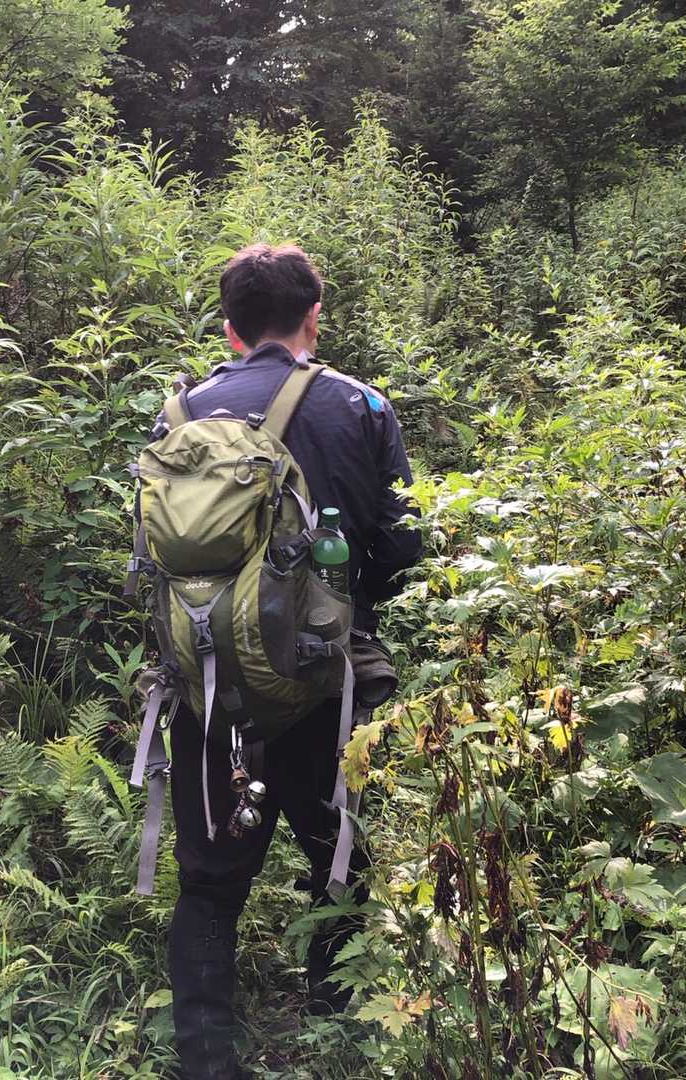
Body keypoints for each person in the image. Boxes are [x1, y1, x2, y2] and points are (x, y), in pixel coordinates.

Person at [159, 243, 422, 1079]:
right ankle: (333, 1033)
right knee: (337, 860)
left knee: (208, 881)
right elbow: (403, 546)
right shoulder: (362, 406)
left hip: (207, 683)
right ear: (314, 315)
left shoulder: (180, 412)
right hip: (328, 680)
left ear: (228, 327)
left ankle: (207, 1060)